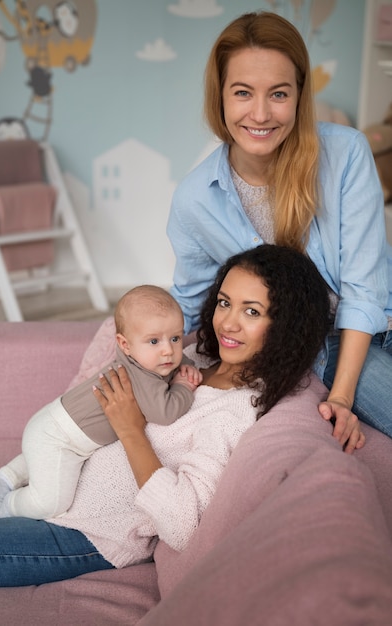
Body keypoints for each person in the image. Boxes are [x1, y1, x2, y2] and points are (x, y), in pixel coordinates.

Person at [0, 244, 330, 587]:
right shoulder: (191, 356)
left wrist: (131, 431)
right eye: (225, 303)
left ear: (286, 327)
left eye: (251, 311)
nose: (228, 324)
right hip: (51, 478)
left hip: (88, 530)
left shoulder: (234, 410)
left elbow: (181, 523)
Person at [166, 11, 392, 451]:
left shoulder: (346, 153)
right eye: (243, 93)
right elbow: (189, 302)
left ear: (300, 96)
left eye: (279, 94)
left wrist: (340, 397)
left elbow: (364, 289)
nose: (261, 114)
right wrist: (137, 354)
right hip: (323, 348)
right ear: (221, 98)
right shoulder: (195, 199)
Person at [0, 285, 202, 521]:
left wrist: (185, 363)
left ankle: (6, 478)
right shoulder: (143, 376)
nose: (168, 351)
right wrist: (183, 386)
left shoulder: (144, 360)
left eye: (176, 338)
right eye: (154, 341)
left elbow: (175, 358)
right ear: (125, 344)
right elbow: (165, 413)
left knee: (40, 459)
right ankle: (8, 506)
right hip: (60, 438)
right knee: (51, 503)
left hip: (50, 424)